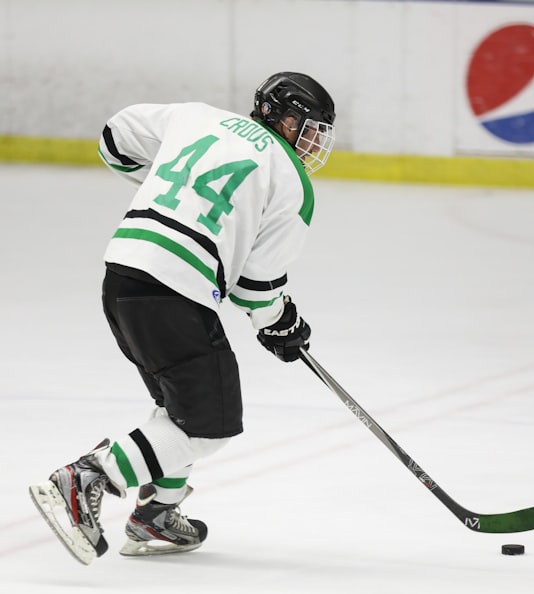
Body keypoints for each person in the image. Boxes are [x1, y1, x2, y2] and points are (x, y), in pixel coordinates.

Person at [28, 72, 336, 564]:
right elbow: (256, 287)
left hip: (123, 274)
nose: (315, 142)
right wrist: (282, 324)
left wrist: (163, 183)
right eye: (312, 128)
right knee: (211, 423)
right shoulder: (290, 179)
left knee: (179, 411)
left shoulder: (196, 116)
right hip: (175, 291)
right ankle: (88, 476)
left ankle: (156, 514)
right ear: (287, 117)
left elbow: (115, 137)